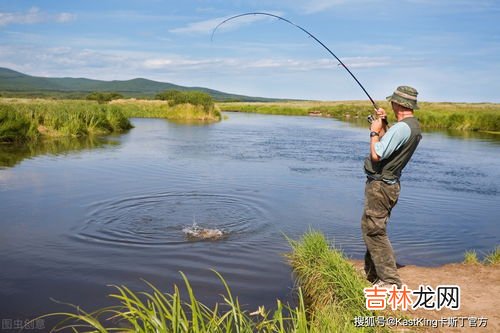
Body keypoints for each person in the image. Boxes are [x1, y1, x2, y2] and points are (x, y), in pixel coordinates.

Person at [361, 86, 422, 288]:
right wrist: (385, 124)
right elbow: (390, 145)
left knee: (375, 231)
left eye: (393, 101)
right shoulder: (410, 126)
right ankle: (373, 272)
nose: (391, 103)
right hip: (387, 185)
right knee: (370, 227)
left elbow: (377, 154)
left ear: (399, 104)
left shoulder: (402, 128)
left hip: (381, 186)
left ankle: (390, 281)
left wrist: (374, 131)